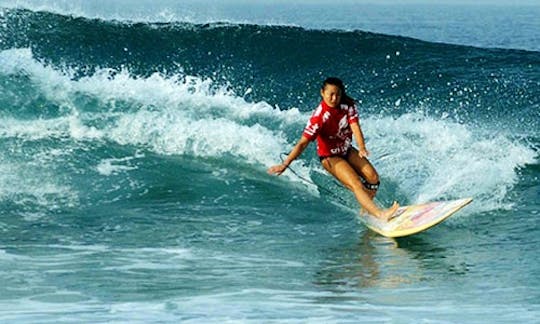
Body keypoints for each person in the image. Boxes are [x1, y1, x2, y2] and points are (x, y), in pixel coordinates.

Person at [267, 77, 399, 221]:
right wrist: (285, 164)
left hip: (346, 150)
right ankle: (380, 214)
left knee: (373, 178)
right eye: (331, 94)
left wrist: (361, 147)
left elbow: (355, 127)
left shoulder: (348, 106)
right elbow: (302, 143)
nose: (334, 98)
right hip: (330, 157)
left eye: (338, 94)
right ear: (322, 93)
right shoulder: (319, 118)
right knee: (356, 183)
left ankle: (366, 210)